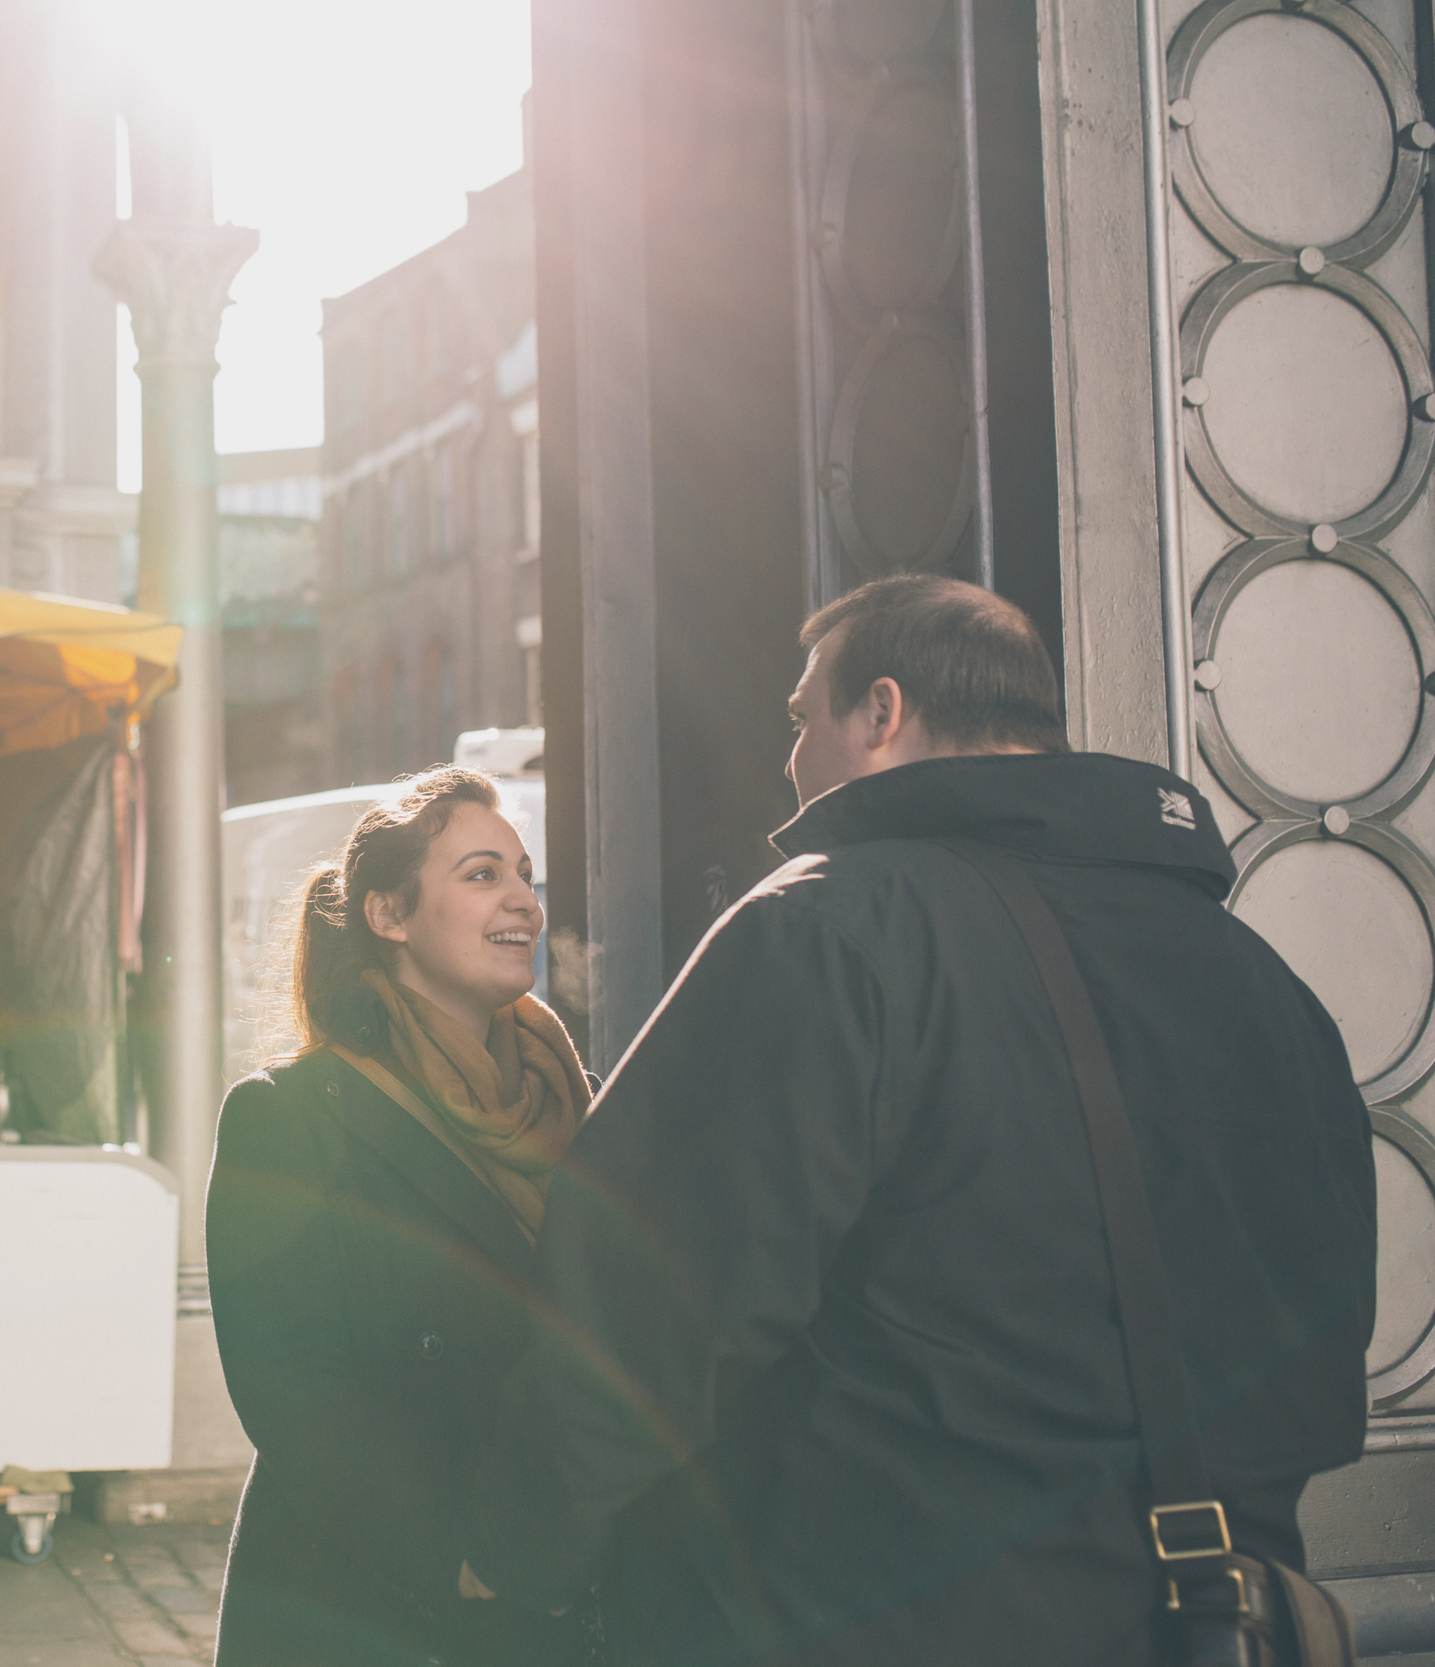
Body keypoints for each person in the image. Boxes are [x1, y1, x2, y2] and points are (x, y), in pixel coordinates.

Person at [465, 575, 1377, 1665]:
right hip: (1201, 1619)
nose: (790, 758)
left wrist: (520, 1552)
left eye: (802, 717)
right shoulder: (1261, 980)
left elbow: (654, 1296)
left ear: (882, 712)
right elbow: (1326, 1319)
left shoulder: (827, 926)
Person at [207, 766, 590, 1667]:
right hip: (377, 1598)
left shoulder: (581, 1102)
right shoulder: (291, 1115)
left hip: (554, 1592)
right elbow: (292, 1384)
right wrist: (457, 1557)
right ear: (388, 915)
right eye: (483, 873)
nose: (525, 901)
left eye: (527, 874)